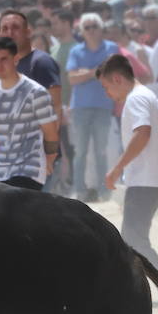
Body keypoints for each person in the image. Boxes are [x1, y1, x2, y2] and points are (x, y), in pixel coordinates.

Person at [101, 53, 158, 275]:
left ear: (118, 79)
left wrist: (117, 167)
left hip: (145, 181)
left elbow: (142, 133)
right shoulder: (145, 95)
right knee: (134, 240)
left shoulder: (136, 98)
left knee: (134, 241)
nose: (108, 94)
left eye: (106, 87)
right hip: (148, 180)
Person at [0, 36, 58, 191]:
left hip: (30, 170)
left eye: (4, 59)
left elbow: (51, 132)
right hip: (2, 171)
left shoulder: (35, 92)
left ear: (16, 59)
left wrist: (49, 159)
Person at [65, 12, 120, 201]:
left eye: (94, 26)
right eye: (86, 27)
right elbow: (72, 79)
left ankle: (104, 191)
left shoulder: (112, 48)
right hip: (80, 107)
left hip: (104, 106)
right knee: (80, 151)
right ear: (82, 31)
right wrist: (96, 71)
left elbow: (115, 73)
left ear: (100, 28)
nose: (91, 31)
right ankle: (79, 189)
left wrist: (84, 73)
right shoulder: (75, 51)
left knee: (101, 151)